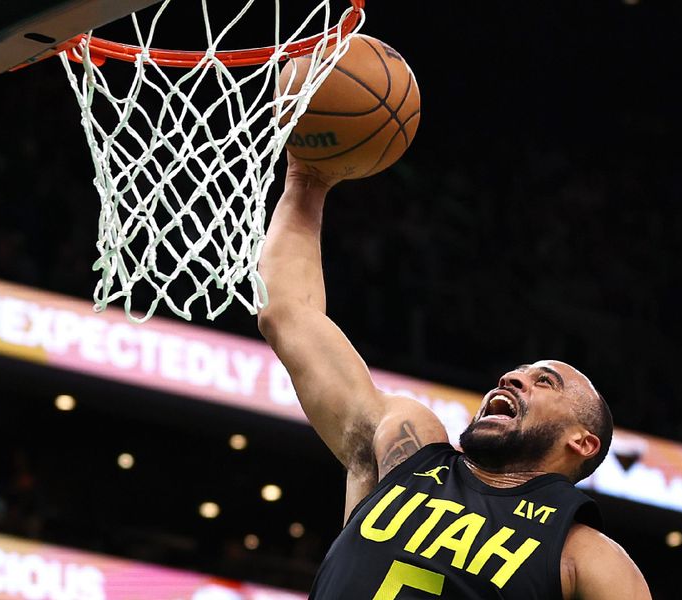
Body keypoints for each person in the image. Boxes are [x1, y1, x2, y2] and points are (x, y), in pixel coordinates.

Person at [257, 155, 651, 599]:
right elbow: (288, 313)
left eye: (545, 382)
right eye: (516, 373)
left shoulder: (590, 558)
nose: (511, 379)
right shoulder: (406, 451)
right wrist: (306, 179)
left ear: (582, 441)